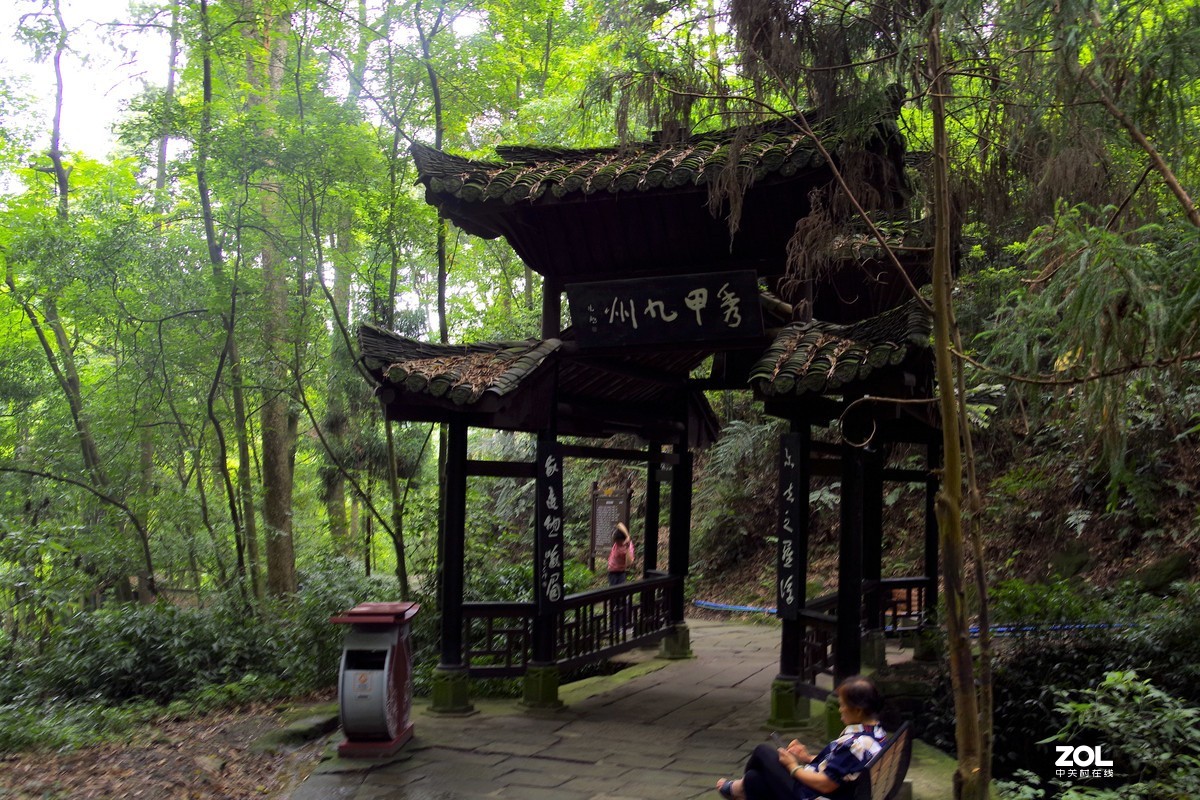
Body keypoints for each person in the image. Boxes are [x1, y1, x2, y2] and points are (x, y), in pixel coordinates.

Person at [716, 675, 888, 800]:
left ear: (858, 710)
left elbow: (826, 784)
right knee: (754, 780)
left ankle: (738, 787)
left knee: (763, 752)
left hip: (810, 794)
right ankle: (742, 788)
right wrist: (807, 757)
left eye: (843, 705)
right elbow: (844, 769)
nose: (840, 709)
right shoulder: (876, 733)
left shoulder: (855, 744)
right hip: (833, 791)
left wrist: (793, 766)